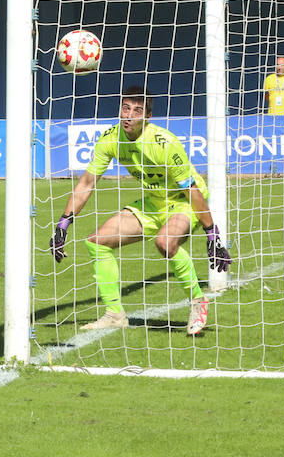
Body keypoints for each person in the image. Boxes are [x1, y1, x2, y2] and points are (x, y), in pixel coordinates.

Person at [49, 86, 232, 336]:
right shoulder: (111, 139)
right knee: (97, 242)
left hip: (183, 202)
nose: (129, 116)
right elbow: (87, 183)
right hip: (153, 203)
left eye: (137, 111)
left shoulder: (165, 143)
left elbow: (192, 190)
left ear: (147, 117)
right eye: (125, 108)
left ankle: (198, 301)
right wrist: (63, 223)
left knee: (165, 243)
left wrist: (212, 234)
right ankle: (115, 315)